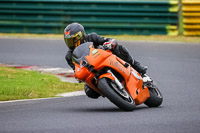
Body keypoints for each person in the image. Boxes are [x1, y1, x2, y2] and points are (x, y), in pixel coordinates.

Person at [64, 22, 147, 99]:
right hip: (91, 71)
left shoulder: (91, 37)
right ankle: (109, 90)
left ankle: (137, 66)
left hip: (105, 58)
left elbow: (107, 40)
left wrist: (109, 43)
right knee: (89, 92)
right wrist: (78, 75)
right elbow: (76, 70)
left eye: (73, 40)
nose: (71, 43)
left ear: (80, 36)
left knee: (120, 49)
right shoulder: (69, 56)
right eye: (69, 41)